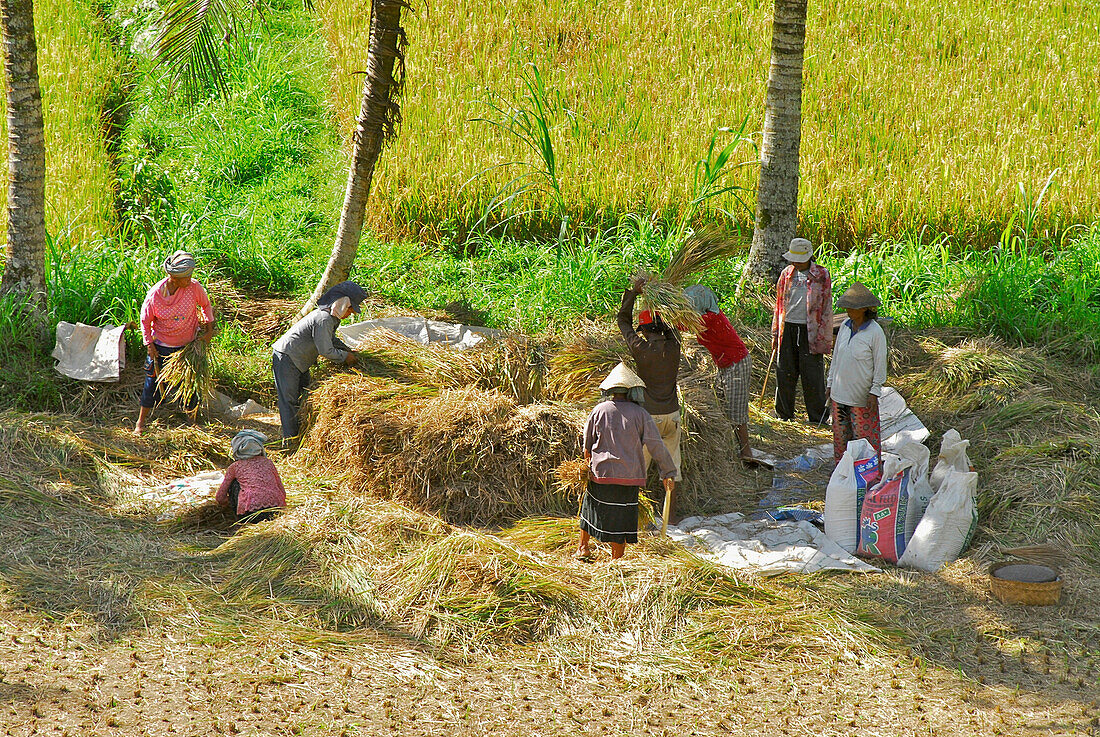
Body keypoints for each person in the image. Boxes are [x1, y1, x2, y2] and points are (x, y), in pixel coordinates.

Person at [576, 363, 678, 561]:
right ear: (632, 391)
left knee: (589, 509)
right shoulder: (641, 414)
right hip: (629, 477)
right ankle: (616, 561)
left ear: (611, 390)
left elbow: (587, 446)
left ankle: (583, 547)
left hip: (601, 474)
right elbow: (657, 446)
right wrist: (668, 473)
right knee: (620, 519)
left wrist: (589, 468)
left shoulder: (598, 410)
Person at [617, 276, 682, 522]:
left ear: (644, 330)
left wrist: (634, 292)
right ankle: (672, 518)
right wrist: (664, 295)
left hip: (649, 418)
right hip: (672, 416)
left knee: (639, 472)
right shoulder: (675, 345)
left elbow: (623, 321)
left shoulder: (641, 348)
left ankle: (637, 519)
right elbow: (675, 322)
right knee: (671, 470)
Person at [271, 281, 366, 440]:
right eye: (350, 309)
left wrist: (347, 350)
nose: (350, 314)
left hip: (299, 361)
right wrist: (345, 357)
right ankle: (290, 442)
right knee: (289, 402)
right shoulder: (324, 318)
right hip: (287, 358)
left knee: (304, 396)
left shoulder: (331, 318)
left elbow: (331, 340)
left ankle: (300, 435)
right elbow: (326, 350)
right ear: (342, 304)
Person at [135, 250, 215, 435]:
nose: (190, 279)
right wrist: (150, 345)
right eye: (186, 277)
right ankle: (140, 424)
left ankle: (192, 421)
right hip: (162, 347)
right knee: (152, 384)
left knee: (189, 385)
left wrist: (208, 330)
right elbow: (145, 321)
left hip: (187, 347)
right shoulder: (155, 295)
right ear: (174, 277)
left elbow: (206, 305)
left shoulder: (193, 288)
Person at [683, 285, 755, 464]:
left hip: (736, 363)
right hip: (725, 364)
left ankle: (746, 452)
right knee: (722, 403)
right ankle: (733, 447)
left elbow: (681, 324)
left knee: (735, 410)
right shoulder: (707, 316)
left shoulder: (710, 318)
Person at [771, 237, 832, 424]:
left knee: (812, 374)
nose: (796, 262)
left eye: (800, 258)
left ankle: (817, 417)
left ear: (809, 256)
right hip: (788, 327)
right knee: (785, 371)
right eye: (793, 259)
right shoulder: (786, 274)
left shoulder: (821, 274)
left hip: (810, 330)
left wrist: (824, 337)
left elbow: (826, 307)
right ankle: (783, 414)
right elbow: (779, 304)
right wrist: (775, 333)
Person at [827, 282, 887, 465]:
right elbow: (836, 357)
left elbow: (880, 365)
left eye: (852, 308)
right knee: (840, 439)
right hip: (839, 393)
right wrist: (830, 384)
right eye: (847, 308)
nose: (848, 311)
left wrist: (874, 391)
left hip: (860, 396)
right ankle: (842, 473)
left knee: (864, 440)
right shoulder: (845, 326)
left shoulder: (875, 333)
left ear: (864, 309)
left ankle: (868, 476)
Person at [216, 430, 286, 523]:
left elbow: (220, 497)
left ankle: (240, 517)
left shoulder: (235, 467)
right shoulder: (268, 463)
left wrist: (226, 503)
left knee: (234, 483)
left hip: (250, 514)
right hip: (276, 510)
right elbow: (282, 491)